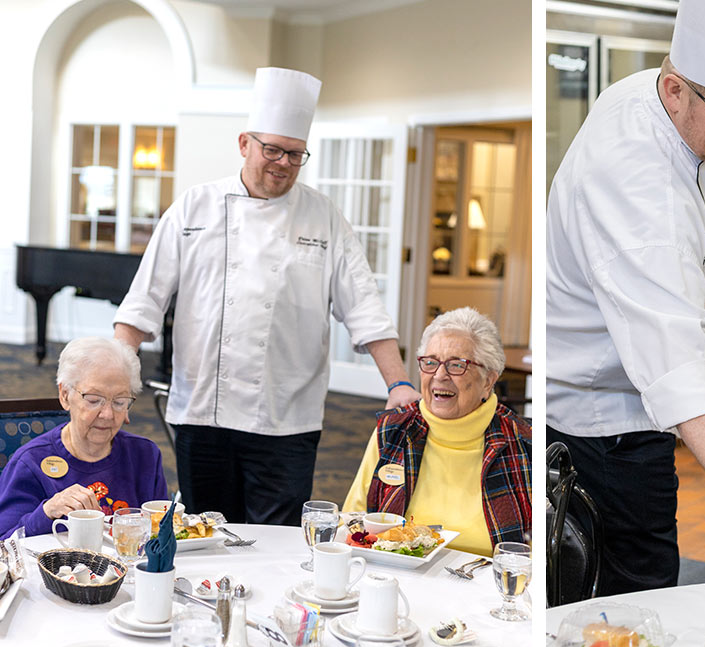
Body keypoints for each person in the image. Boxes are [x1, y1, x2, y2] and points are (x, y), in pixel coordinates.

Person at [546, 0, 705, 593]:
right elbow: (675, 367)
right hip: (606, 424)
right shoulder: (633, 181)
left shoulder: (677, 107)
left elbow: (683, 222)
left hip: (636, 413)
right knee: (634, 591)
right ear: (673, 91)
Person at [113, 67, 419, 526]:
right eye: (272, 149)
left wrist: (397, 383)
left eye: (295, 155)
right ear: (244, 144)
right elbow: (143, 302)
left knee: (276, 540)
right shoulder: (194, 208)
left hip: (288, 417)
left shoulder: (323, 217)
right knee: (206, 530)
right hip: (201, 411)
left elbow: (364, 308)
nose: (282, 163)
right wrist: (112, 378)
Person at [342, 308, 531, 556]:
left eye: (457, 365)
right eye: (430, 363)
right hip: (401, 581)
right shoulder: (394, 431)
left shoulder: (524, 443)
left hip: (489, 586)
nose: (440, 375)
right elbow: (351, 522)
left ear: (488, 380)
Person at [0, 337, 167, 538]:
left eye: (120, 402)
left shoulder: (144, 455)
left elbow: (163, 534)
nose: (107, 414)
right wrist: (46, 512)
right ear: (64, 395)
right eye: (94, 400)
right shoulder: (30, 462)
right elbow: (4, 543)